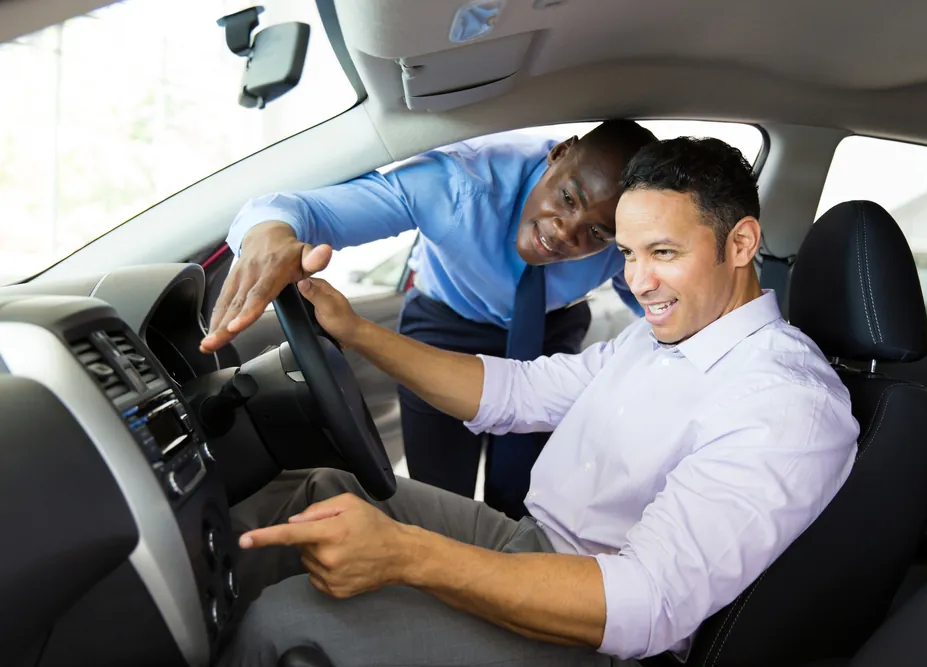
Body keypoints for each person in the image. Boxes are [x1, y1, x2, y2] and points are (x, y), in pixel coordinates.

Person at [219, 137, 861, 667]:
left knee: (287, 622)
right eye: (630, 255)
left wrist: (409, 556)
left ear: (742, 245)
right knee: (312, 492)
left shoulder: (786, 405)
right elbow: (514, 393)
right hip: (529, 539)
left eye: (663, 253)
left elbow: (645, 605)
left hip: (593, 633)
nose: (638, 283)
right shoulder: (662, 334)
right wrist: (357, 332)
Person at [200, 120, 657, 519]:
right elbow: (299, 211)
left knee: (525, 497)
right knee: (440, 496)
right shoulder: (457, 182)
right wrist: (270, 233)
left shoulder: (629, 237)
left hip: (548, 332)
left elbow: (657, 303)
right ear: (558, 154)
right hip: (445, 325)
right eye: (568, 198)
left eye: (597, 232)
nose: (565, 232)